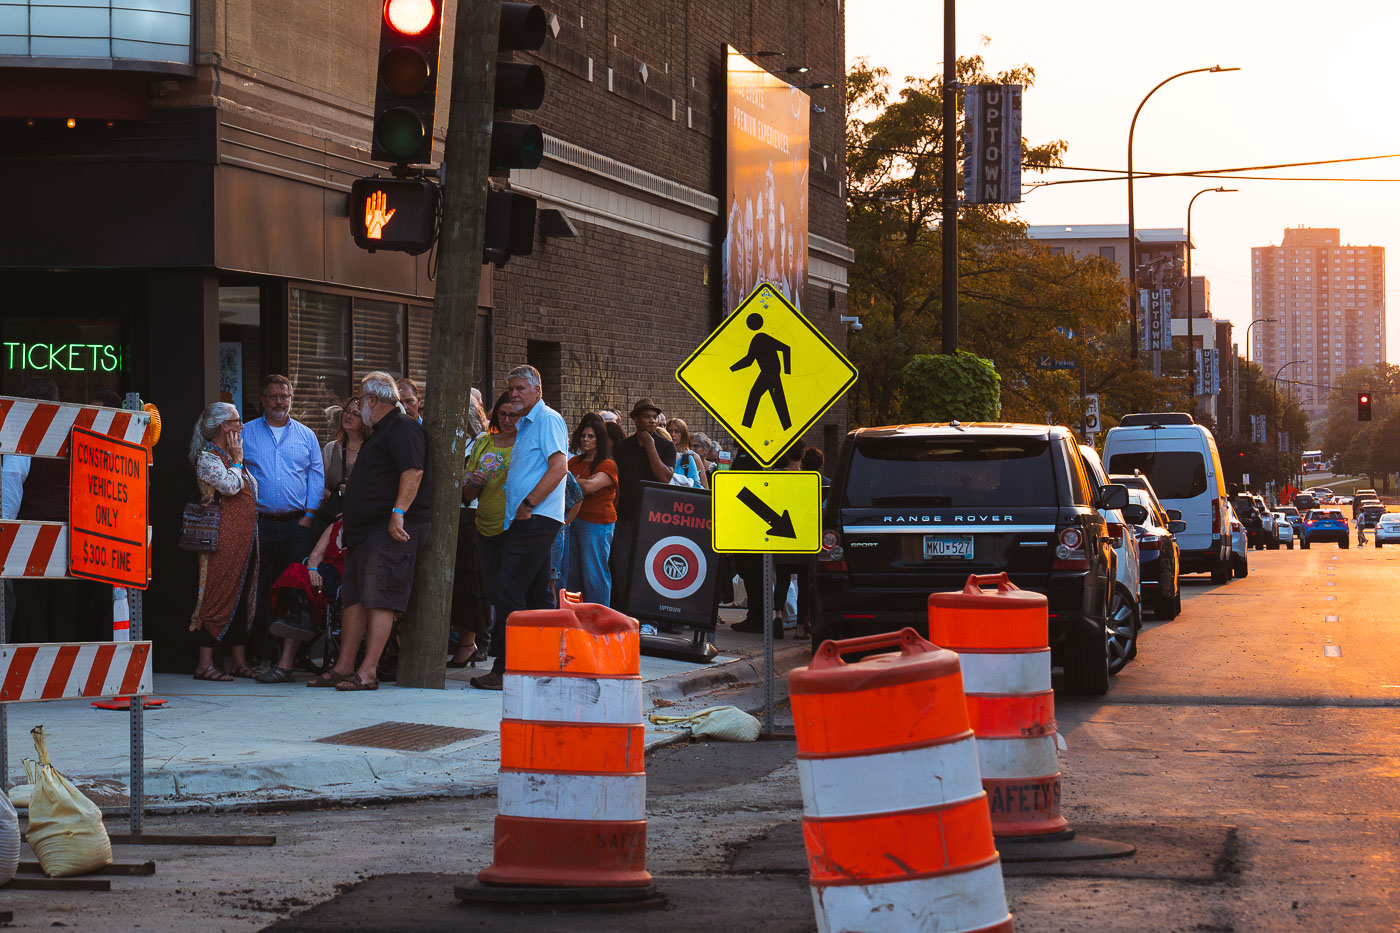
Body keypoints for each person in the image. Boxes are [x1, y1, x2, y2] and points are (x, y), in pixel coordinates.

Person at [311, 372, 431, 691]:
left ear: (373, 400)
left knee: (380, 597)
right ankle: (344, 666)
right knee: (354, 597)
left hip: (388, 528)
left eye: (362, 398)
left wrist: (398, 514)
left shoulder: (402, 426)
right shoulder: (378, 431)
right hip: (362, 530)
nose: (360, 404)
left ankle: (368, 672)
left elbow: (413, 471)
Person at [470, 365, 568, 691]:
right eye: (511, 389)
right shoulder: (526, 425)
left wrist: (529, 504)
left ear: (537, 390)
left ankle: (506, 666)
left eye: (521, 389)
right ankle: (544, 662)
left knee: (506, 588)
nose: (514, 394)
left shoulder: (547, 419)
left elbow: (559, 467)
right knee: (537, 594)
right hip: (525, 519)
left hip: (536, 518)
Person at [241, 374, 324, 665]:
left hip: (296, 525)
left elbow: (316, 476)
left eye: (284, 396)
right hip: (259, 525)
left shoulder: (306, 435)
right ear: (263, 399)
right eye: (274, 396)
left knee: (296, 592)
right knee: (259, 590)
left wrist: (310, 515)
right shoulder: (246, 433)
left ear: (291, 399)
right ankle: (259, 653)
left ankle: (294, 656)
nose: (279, 401)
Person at [187, 402, 259, 681]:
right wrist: (239, 460)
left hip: (244, 538)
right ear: (222, 427)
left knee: (240, 595)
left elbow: (251, 488)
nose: (241, 426)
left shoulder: (228, 456)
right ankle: (205, 663)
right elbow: (229, 487)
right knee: (216, 595)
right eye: (236, 421)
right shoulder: (208, 458)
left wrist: (237, 459)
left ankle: (237, 661)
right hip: (222, 538)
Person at [257, 517, 345, 683]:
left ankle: (285, 663)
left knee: (298, 602)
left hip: (341, 590)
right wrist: (312, 569)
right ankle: (298, 622)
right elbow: (316, 555)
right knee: (295, 571)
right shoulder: (334, 527)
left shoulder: (366, 530)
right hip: (319, 580)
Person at [608, 398, 676, 606]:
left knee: (647, 566)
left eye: (654, 417)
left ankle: (647, 613)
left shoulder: (666, 447)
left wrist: (650, 448)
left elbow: (665, 477)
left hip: (653, 518)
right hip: (625, 515)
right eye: (646, 417)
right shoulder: (623, 448)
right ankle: (623, 609)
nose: (652, 421)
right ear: (635, 419)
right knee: (621, 565)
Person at [450, 388, 498, 668]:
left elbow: (484, 480)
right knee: (457, 583)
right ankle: (464, 641)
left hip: (472, 516)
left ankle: (470, 642)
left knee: (471, 582)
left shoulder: (483, 441)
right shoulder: (455, 441)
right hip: (452, 516)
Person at [567, 413, 618, 605]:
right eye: (583, 436)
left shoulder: (607, 464)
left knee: (594, 574)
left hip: (597, 524)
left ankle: (598, 620)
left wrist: (570, 481)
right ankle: (575, 621)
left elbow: (590, 487)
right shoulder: (573, 462)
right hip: (572, 521)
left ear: (600, 439)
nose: (586, 440)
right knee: (572, 575)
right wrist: (581, 482)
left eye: (591, 436)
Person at [317, 395, 365, 526]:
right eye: (347, 411)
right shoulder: (330, 448)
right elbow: (320, 484)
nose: (348, 416)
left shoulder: (372, 450)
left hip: (361, 523)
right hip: (332, 522)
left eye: (356, 414)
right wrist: (327, 493)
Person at [668, 417, 709, 490]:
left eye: (677, 431)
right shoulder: (662, 454)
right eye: (669, 431)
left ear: (683, 435)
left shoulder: (692, 456)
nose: (672, 434)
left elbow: (704, 488)